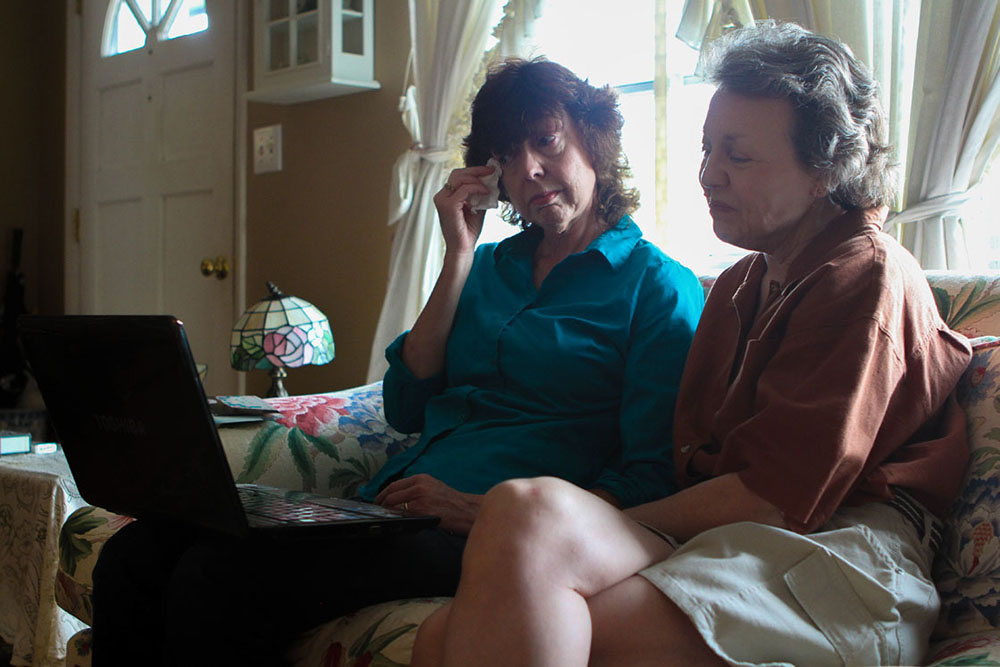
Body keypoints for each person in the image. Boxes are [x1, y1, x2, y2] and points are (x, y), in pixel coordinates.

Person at [90, 57, 703, 666]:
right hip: (386, 509)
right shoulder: (488, 270)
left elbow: (650, 475)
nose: (530, 170)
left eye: (546, 142)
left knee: (216, 577)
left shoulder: (658, 288)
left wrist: (486, 515)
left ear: (594, 137)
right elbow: (405, 403)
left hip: (485, 537)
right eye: (507, 157)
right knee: (135, 554)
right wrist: (458, 257)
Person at [411, 21, 973, 667]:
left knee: (508, 604)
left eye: (738, 155)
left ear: (824, 171)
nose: (709, 174)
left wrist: (623, 522)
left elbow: (779, 494)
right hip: (740, 538)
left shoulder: (865, 274)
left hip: (842, 553)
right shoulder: (741, 283)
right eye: (707, 149)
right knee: (496, 550)